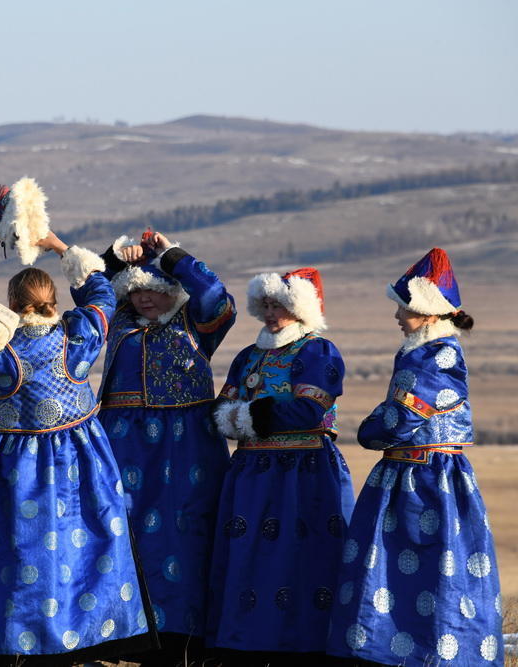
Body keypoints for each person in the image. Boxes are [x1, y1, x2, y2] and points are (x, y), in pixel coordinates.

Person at [0, 231, 156, 666]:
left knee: (21, 553)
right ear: (53, 299)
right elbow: (102, 291)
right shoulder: (81, 333)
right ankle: (87, 637)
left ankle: (19, 643)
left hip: (19, 472)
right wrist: (57, 245)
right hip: (83, 463)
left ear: (13, 305)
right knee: (86, 548)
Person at [327, 248, 502, 667]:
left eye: (403, 307)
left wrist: (369, 430)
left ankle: (434, 652)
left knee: (431, 565)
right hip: (408, 472)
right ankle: (387, 649)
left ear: (426, 312)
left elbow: (404, 413)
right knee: (393, 564)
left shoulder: (439, 354)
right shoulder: (419, 351)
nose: (397, 316)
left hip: (429, 478)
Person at [96, 231, 235, 665]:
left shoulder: (196, 322)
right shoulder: (118, 319)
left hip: (186, 446)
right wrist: (116, 258)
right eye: (136, 290)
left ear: (172, 290)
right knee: (123, 532)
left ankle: (185, 639)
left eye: (154, 289)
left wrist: (172, 256)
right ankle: (122, 632)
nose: (144, 298)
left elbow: (216, 293)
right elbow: (93, 286)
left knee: (186, 534)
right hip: (124, 445)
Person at [206, 267, 354, 666]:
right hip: (253, 471)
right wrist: (239, 417)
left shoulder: (318, 351)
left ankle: (306, 647)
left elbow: (310, 409)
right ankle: (244, 644)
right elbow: (222, 406)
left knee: (301, 557)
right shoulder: (247, 356)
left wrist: (245, 417)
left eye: (281, 306)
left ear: (303, 309)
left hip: (303, 472)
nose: (271, 314)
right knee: (250, 555)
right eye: (267, 305)